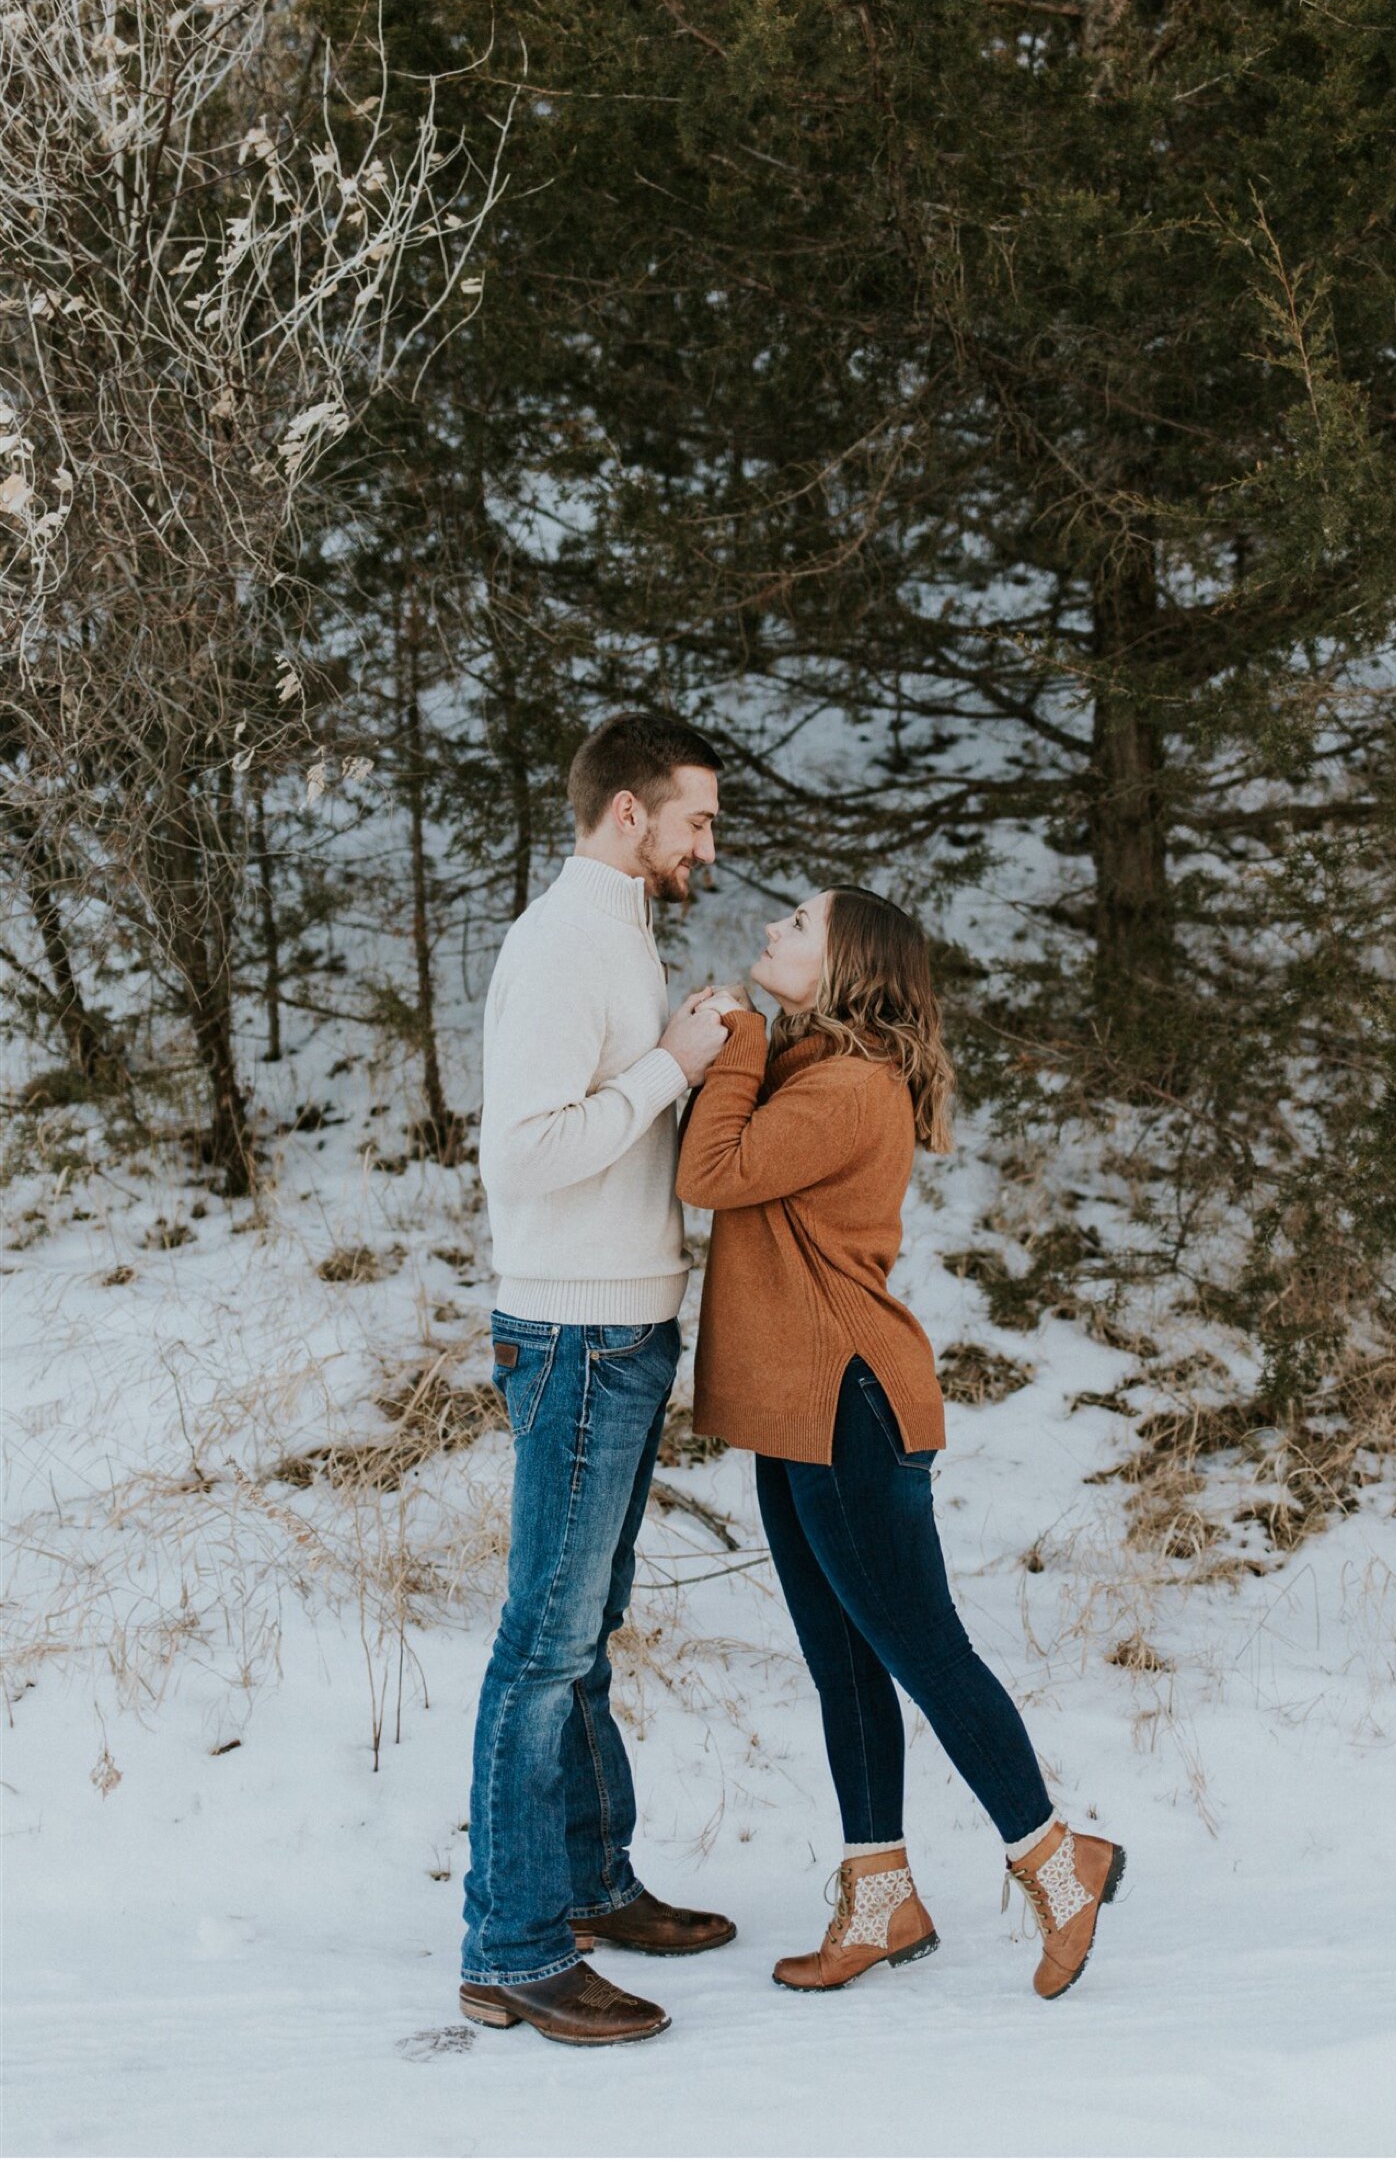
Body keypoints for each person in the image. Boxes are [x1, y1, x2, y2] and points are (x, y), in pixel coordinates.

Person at [679, 887, 1125, 2003]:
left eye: (798, 923)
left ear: (848, 967)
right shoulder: (812, 1066)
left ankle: (1055, 1856)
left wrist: (731, 1034)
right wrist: (749, 1044)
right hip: (805, 1409)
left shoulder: (845, 1086)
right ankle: (880, 1896)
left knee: (924, 1650)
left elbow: (712, 1174)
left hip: (848, 1405)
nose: (772, 927)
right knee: (845, 1661)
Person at [460, 712, 738, 2048]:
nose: (707, 844)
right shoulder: (566, 941)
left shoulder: (620, 935)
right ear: (629, 814)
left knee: (586, 1633)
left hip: (622, 1328)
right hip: (574, 1333)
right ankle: (512, 1947)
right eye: (696, 820)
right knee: (545, 1646)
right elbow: (523, 1153)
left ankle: (588, 1882)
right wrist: (668, 1068)